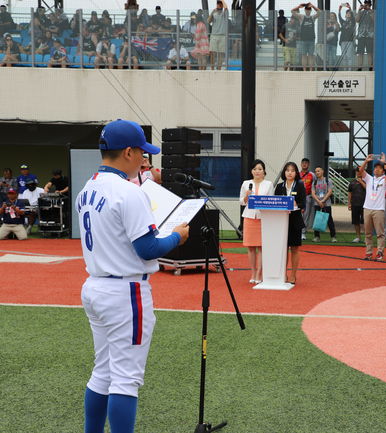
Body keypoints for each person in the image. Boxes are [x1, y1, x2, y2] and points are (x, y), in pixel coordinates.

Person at [78, 119, 189, 433]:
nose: (144, 158)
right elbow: (148, 248)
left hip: (95, 285)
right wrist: (177, 237)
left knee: (103, 373)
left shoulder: (87, 187)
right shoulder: (129, 192)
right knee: (125, 379)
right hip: (125, 291)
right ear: (128, 152)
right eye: (142, 152)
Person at [239, 159, 274, 283]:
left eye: (259, 169)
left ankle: (259, 273)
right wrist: (246, 196)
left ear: (264, 171)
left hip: (263, 218)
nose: (257, 171)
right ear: (251, 171)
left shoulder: (269, 184)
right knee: (251, 247)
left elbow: (271, 202)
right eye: (254, 169)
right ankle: (253, 272)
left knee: (261, 247)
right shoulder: (246, 183)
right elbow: (241, 201)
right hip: (249, 217)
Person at [274, 161, 306, 285]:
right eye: (287, 170)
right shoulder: (279, 187)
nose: (290, 172)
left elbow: (303, 202)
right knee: (283, 249)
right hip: (281, 221)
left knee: (294, 248)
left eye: (292, 170)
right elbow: (275, 202)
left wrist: (295, 204)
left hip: (295, 220)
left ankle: (293, 274)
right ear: (284, 172)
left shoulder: (299, 185)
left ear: (296, 173)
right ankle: (283, 273)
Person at [358, 153, 386, 261]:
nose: (377, 170)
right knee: (368, 232)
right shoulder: (369, 179)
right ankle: (369, 252)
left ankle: (380, 252)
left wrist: (384, 162)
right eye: (375, 168)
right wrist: (366, 161)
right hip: (367, 208)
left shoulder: (385, 180)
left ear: (382, 170)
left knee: (380, 233)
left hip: (379, 209)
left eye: (379, 168)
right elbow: (360, 172)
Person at [292, 3, 321, 72]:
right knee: (304, 55)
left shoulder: (312, 17)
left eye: (309, 10)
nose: (308, 11)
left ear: (310, 11)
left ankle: (311, 70)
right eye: (307, 10)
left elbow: (320, 12)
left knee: (311, 55)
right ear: (305, 10)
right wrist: (299, 6)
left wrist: (313, 6)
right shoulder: (302, 17)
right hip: (303, 40)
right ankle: (304, 70)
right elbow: (292, 11)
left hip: (311, 39)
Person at [311, 165, 336, 242]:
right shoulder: (314, 182)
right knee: (317, 219)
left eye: (318, 171)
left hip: (326, 203)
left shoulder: (328, 181)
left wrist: (323, 201)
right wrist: (319, 201)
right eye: (315, 171)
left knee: (329, 219)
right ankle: (317, 236)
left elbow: (330, 191)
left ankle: (333, 237)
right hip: (317, 203)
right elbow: (313, 193)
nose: (317, 173)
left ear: (322, 171)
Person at [208, 0, 229, 70]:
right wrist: (212, 12)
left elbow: (226, 8)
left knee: (221, 54)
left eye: (220, 4)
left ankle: (219, 68)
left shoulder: (224, 13)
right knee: (212, 53)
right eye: (218, 4)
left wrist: (222, 1)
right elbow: (208, 21)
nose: (219, 5)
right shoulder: (214, 13)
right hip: (214, 35)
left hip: (222, 36)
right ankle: (212, 68)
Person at [347, 166, 365, 243]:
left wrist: (361, 181)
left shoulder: (367, 181)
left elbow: (367, 188)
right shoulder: (352, 182)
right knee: (356, 221)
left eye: (360, 171)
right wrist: (349, 203)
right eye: (357, 171)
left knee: (365, 222)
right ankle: (358, 237)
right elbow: (349, 193)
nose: (358, 173)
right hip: (354, 204)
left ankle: (366, 238)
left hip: (364, 204)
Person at [298, 158, 315, 240]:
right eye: (303, 163)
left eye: (306, 163)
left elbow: (315, 185)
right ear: (301, 164)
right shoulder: (297, 174)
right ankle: (297, 232)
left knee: (306, 215)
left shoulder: (312, 175)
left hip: (308, 197)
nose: (304, 164)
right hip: (298, 198)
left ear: (308, 165)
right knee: (298, 215)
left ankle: (303, 233)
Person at [355, 0, 374, 70]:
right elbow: (356, 20)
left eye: (368, 4)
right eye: (365, 3)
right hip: (361, 35)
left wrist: (369, 11)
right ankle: (359, 67)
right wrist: (359, 10)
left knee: (369, 52)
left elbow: (374, 19)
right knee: (360, 52)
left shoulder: (373, 12)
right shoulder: (361, 12)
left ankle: (370, 67)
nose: (366, 5)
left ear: (370, 5)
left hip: (370, 35)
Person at [338, 3, 355, 70]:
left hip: (349, 41)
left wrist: (350, 8)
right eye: (347, 13)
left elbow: (353, 17)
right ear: (345, 15)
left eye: (349, 13)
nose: (348, 14)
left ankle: (349, 70)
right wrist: (339, 9)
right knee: (344, 56)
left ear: (350, 15)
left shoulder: (352, 21)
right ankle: (345, 70)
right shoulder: (343, 22)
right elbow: (339, 17)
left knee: (349, 56)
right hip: (342, 41)